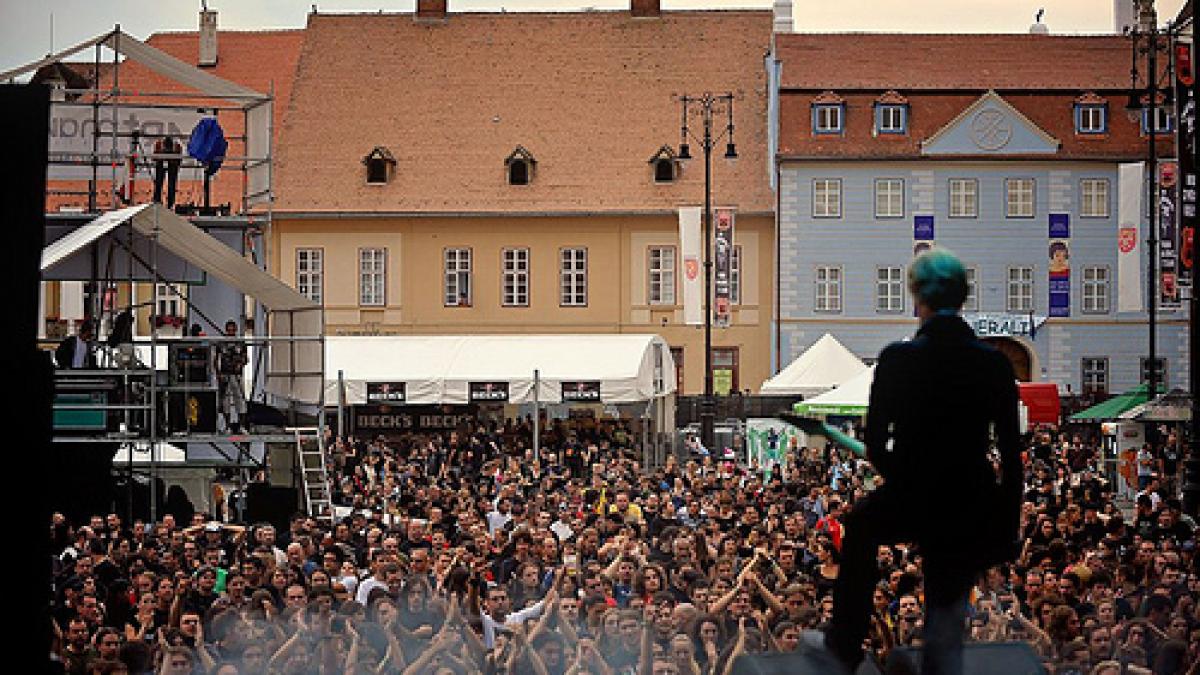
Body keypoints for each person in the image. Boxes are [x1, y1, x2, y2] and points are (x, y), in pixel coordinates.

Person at [825, 248, 1022, 675]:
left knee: (859, 529)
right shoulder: (994, 363)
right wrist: (1006, 523)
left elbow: (876, 445)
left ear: (917, 299)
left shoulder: (898, 358)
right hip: (971, 496)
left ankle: (845, 642)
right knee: (946, 600)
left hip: (913, 492)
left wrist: (910, 484)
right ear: (964, 297)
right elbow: (1010, 453)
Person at [215, 319, 248, 433]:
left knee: (240, 399)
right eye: (228, 330)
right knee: (225, 401)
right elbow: (216, 360)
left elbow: (245, 358)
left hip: (237, 375)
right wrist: (218, 374)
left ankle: (242, 426)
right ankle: (227, 426)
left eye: (232, 330)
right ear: (226, 330)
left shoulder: (241, 342)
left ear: (236, 330)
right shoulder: (221, 343)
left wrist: (240, 364)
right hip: (224, 374)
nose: (230, 332)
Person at [153, 135, 182, 208]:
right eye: (166, 149)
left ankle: (170, 203)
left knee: (171, 184)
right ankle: (157, 201)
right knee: (158, 183)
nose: (167, 151)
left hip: (173, 163)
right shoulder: (158, 144)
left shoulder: (177, 146)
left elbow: (179, 161)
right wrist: (161, 158)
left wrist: (172, 162)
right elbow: (154, 158)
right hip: (160, 162)